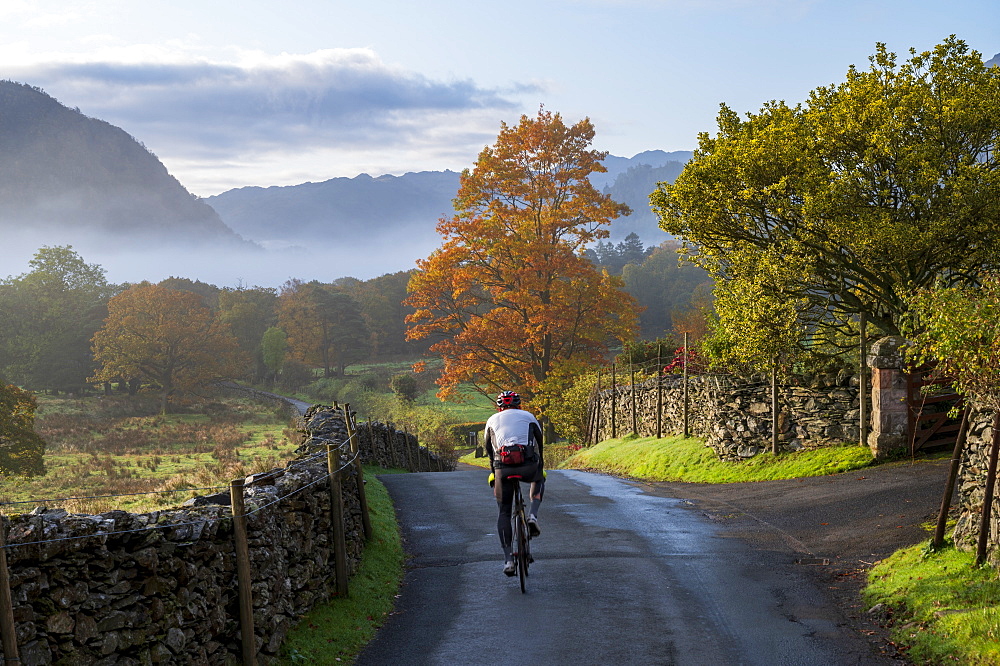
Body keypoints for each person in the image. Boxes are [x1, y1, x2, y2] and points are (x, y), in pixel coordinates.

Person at [484, 390, 545, 576]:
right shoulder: (528, 416)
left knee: (504, 511)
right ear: (519, 405)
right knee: (539, 477)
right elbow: (540, 443)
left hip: (503, 467)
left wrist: (494, 472)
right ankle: (532, 516)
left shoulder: (492, 420)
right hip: (528, 465)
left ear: (499, 407)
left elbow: (488, 448)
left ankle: (509, 560)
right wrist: (539, 465)